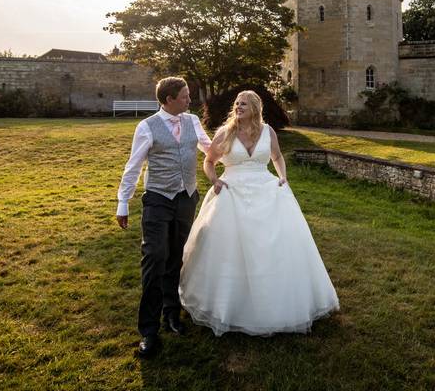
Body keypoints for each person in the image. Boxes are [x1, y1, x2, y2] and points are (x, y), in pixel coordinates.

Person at [178, 90, 339, 336]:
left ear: (255, 107)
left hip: (266, 192)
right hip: (232, 193)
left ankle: (276, 302)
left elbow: (276, 156)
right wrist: (214, 181)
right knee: (229, 249)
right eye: (237, 103)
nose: (238, 107)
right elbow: (209, 162)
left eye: (244, 104)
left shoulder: (268, 132)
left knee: (273, 246)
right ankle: (230, 304)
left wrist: (283, 176)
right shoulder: (225, 133)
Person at [115, 76, 212, 358]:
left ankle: (172, 313)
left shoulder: (192, 120)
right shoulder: (147, 127)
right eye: (184, 96)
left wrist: (241, 155)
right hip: (158, 199)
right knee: (155, 257)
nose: (189, 100)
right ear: (169, 99)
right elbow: (133, 166)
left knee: (177, 257)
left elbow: (209, 149)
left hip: (186, 197)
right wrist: (123, 202)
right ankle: (148, 330)